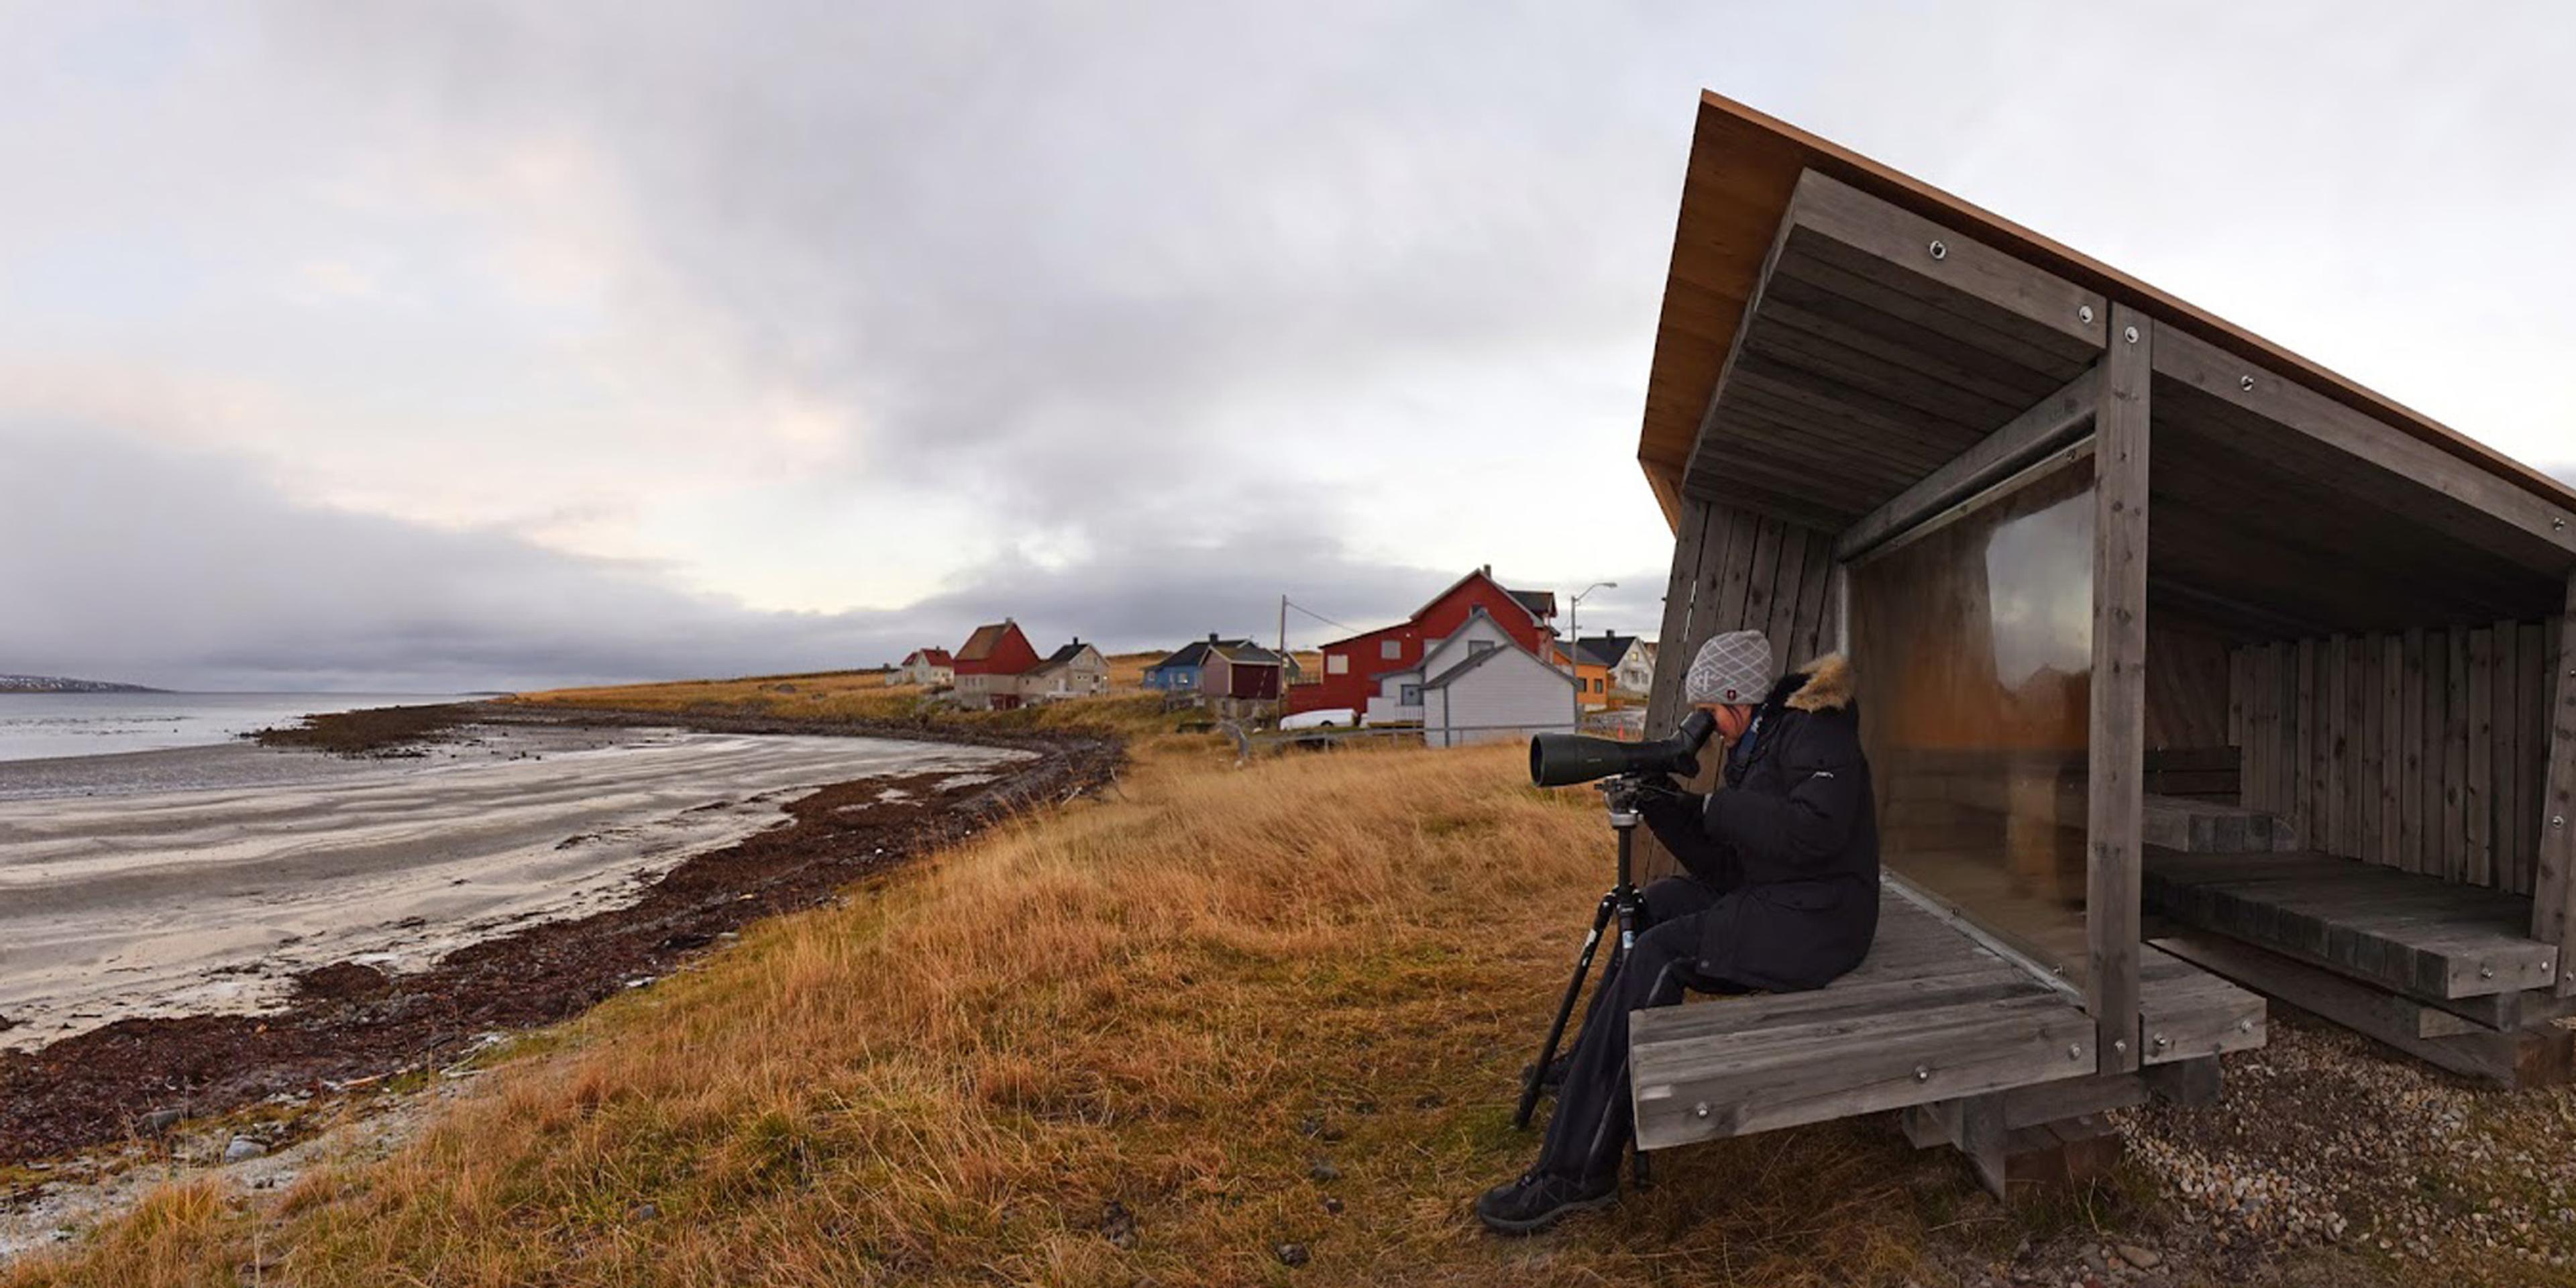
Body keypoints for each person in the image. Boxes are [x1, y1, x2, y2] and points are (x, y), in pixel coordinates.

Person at [1474, 630, 1880, 1234]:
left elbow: (1813, 833)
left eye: (1711, 711)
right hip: (1781, 897)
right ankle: (1589, 1066)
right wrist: (1670, 808)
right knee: (1654, 906)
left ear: (1738, 699)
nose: (1709, 725)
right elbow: (1731, 868)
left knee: (1662, 954)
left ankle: (1576, 1173)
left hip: (1824, 920)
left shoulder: (1817, 733)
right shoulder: (1759, 738)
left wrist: (1715, 807)